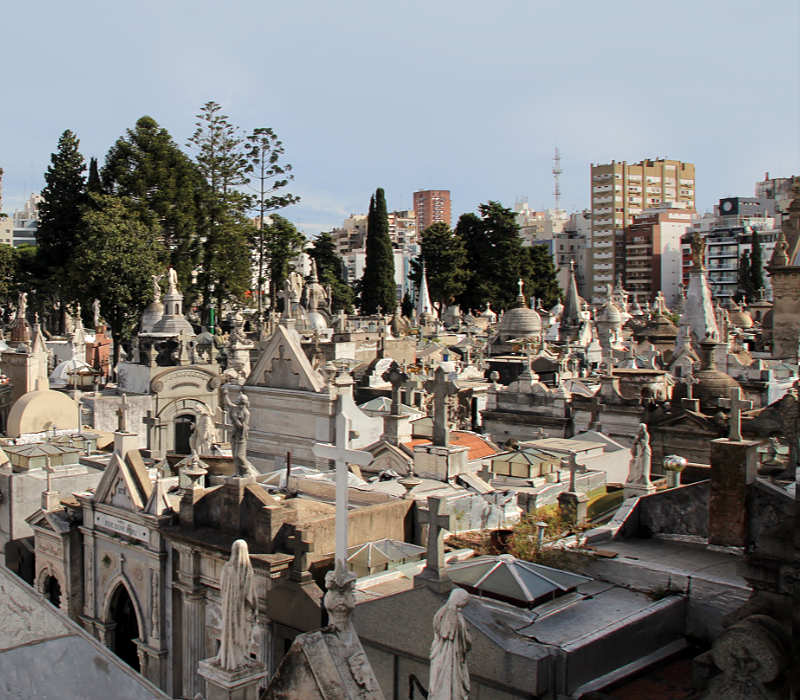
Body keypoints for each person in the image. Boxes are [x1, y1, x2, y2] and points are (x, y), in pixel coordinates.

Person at [215, 540, 256, 670]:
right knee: (241, 633)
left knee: (229, 631)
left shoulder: (227, 568)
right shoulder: (246, 571)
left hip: (228, 609)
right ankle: (239, 657)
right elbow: (250, 595)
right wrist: (254, 608)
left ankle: (228, 656)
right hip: (241, 611)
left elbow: (222, 587)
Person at [429, 588, 471, 700]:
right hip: (448, 658)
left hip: (443, 657)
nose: (462, 608)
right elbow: (448, 633)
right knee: (447, 687)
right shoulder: (453, 616)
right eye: (463, 604)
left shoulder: (441, 613)